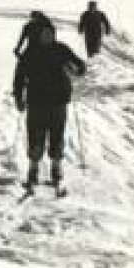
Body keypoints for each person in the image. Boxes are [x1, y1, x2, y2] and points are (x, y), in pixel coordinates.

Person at [12, 21, 87, 192]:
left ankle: (56, 167)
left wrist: (79, 69)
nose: (48, 37)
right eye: (45, 34)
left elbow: (78, 64)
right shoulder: (29, 52)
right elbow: (19, 77)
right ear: (39, 35)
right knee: (35, 135)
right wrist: (18, 97)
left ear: (54, 35)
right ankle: (33, 169)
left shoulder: (61, 49)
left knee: (57, 134)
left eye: (51, 34)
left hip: (58, 101)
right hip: (36, 102)